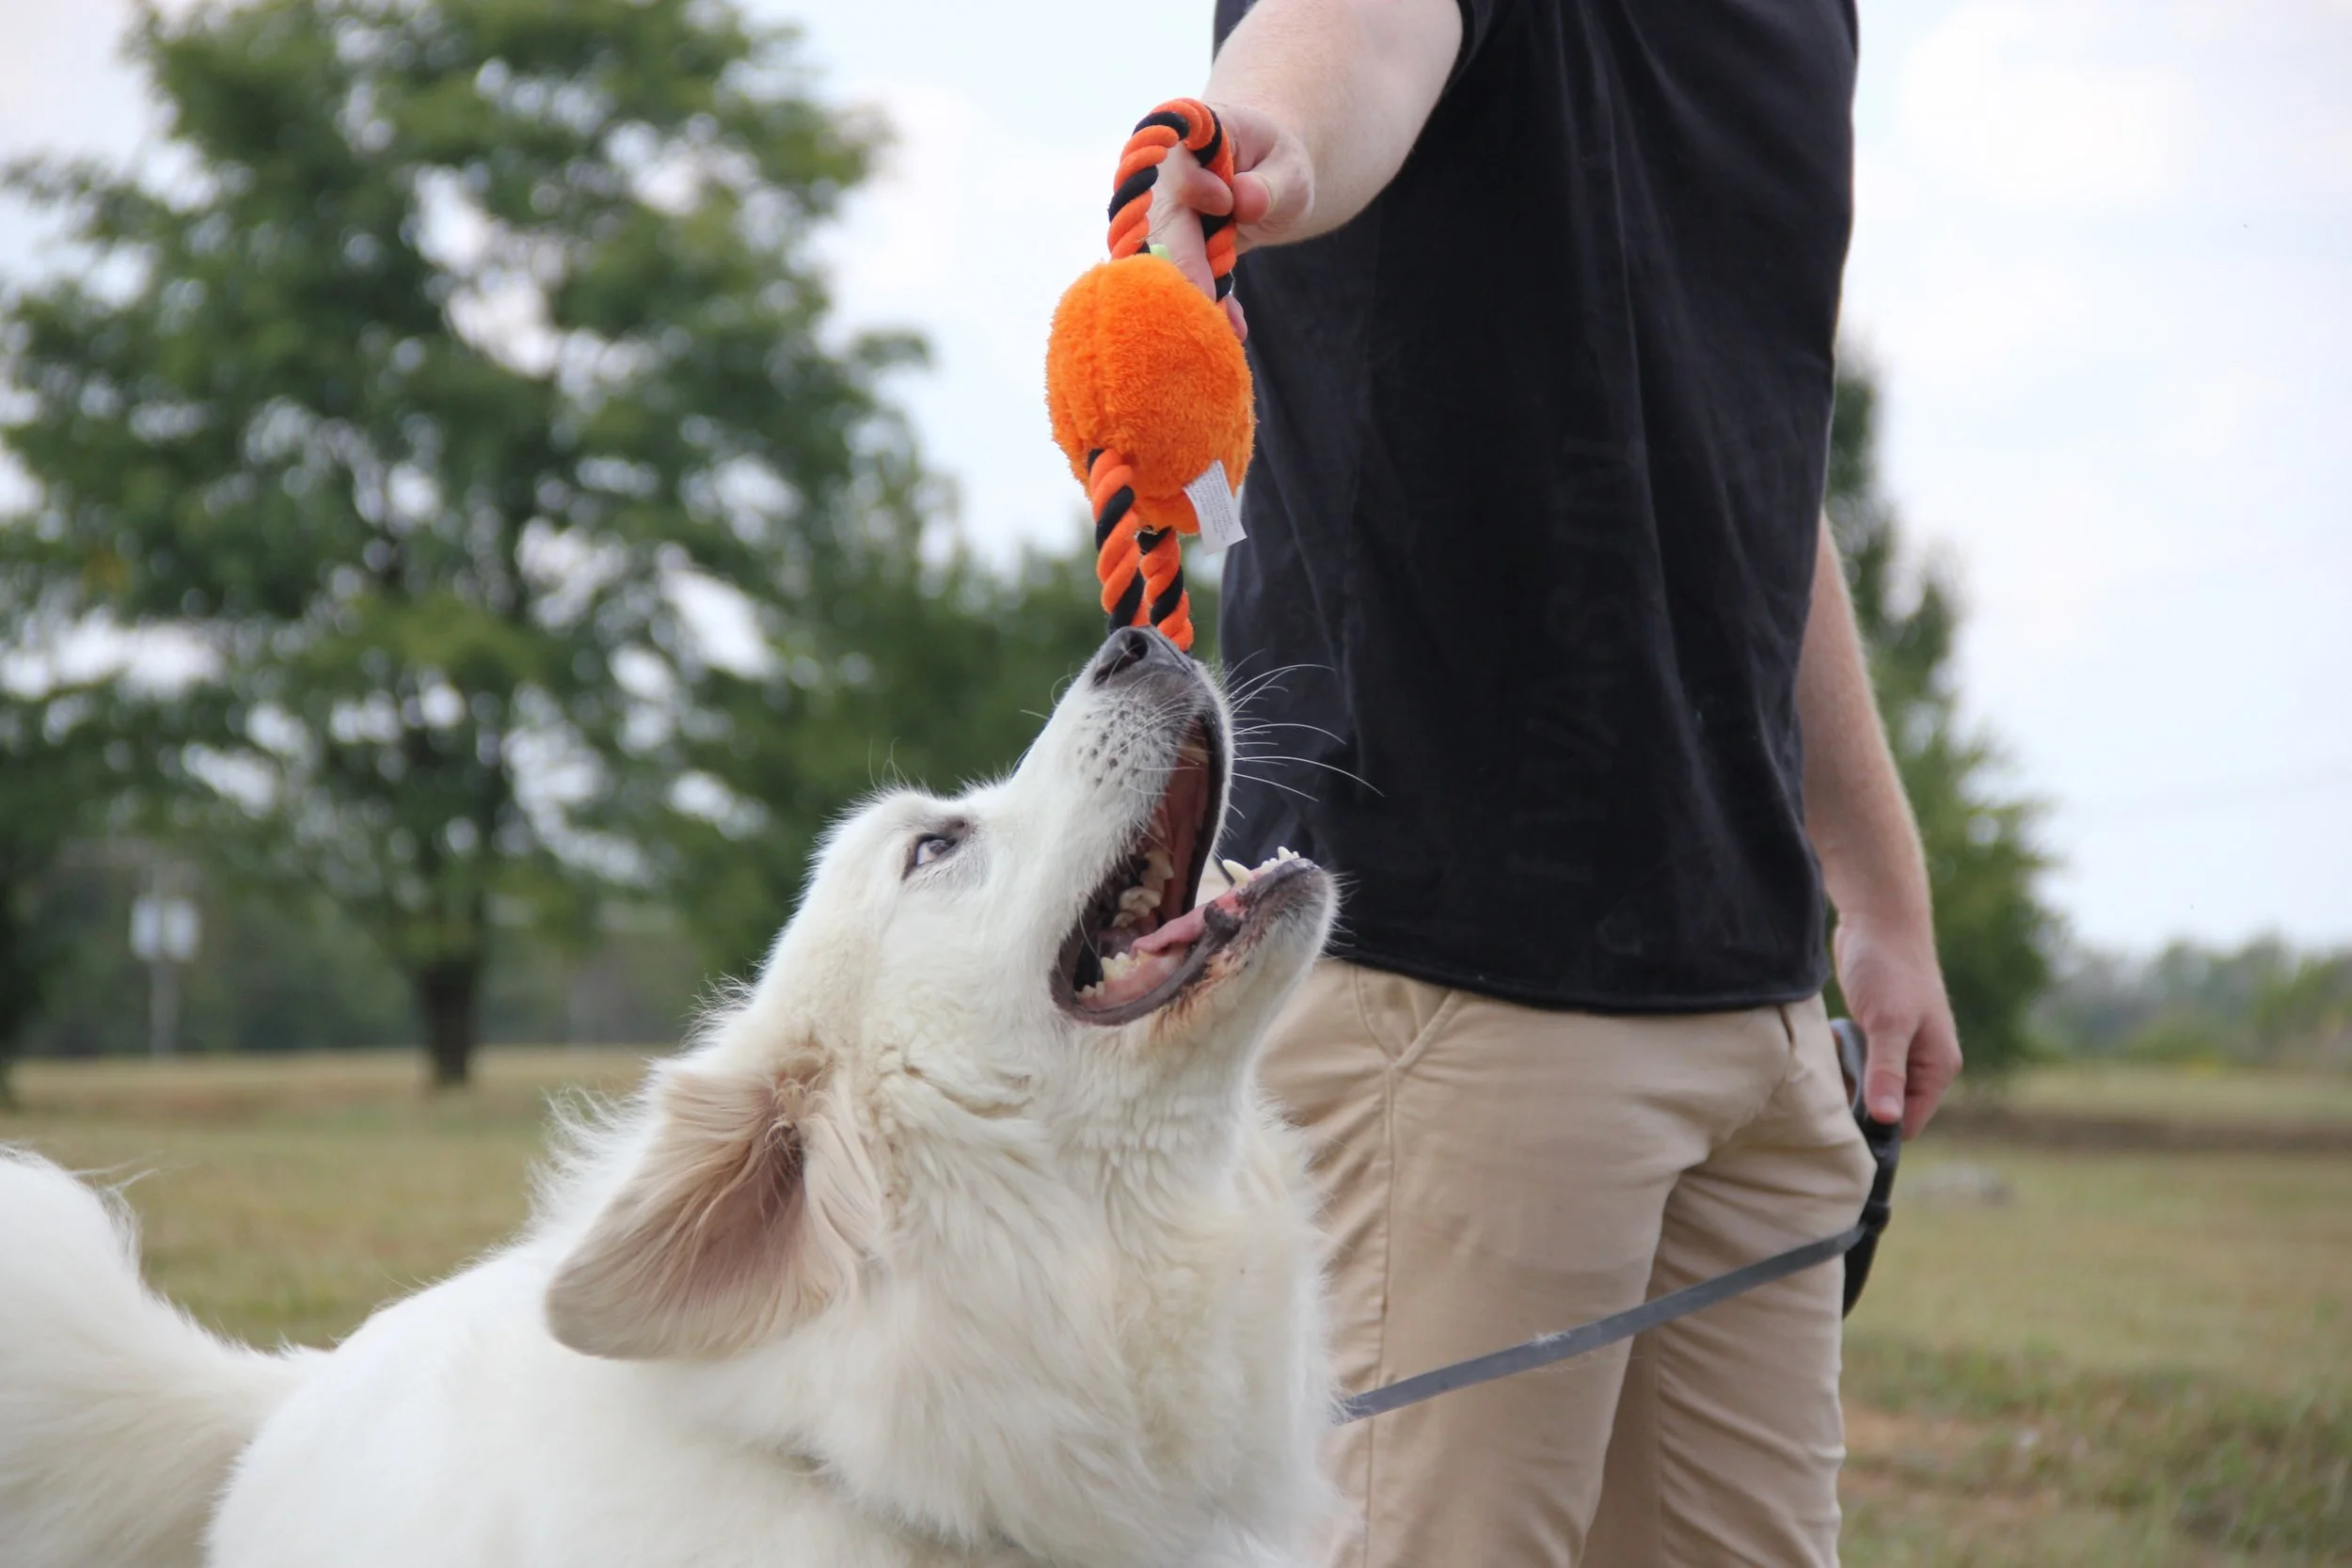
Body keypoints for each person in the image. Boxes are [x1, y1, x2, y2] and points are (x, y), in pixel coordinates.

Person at [1170, 1, 1963, 1563]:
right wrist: (1256, 146)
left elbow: (1738, 453)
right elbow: (1348, 47)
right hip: (1448, 1012)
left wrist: (1876, 881)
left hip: (1749, 1014)